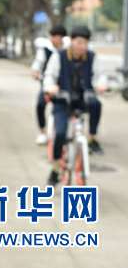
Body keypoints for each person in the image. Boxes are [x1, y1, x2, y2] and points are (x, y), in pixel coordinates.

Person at [43, 25, 107, 186]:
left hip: (82, 100)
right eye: (79, 42)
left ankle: (92, 138)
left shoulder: (92, 57)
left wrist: (101, 85)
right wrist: (51, 87)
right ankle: (56, 168)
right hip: (62, 101)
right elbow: (49, 75)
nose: (82, 46)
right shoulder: (59, 56)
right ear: (71, 41)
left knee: (96, 104)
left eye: (85, 43)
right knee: (60, 134)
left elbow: (100, 76)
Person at [31, 25, 67, 145]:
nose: (55, 39)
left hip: (65, 85)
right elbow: (38, 63)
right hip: (48, 84)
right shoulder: (45, 49)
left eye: (58, 37)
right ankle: (42, 132)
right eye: (53, 36)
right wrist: (36, 72)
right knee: (40, 104)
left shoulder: (68, 51)